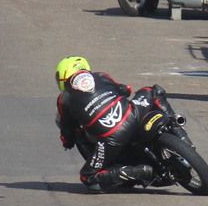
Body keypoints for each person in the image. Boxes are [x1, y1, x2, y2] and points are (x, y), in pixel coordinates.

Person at [54, 56, 155, 192]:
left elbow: (66, 130)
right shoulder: (101, 76)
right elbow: (126, 90)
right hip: (132, 114)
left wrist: (67, 142)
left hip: (111, 137)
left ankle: (139, 171)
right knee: (153, 91)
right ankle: (179, 131)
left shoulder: (63, 99)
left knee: (87, 177)